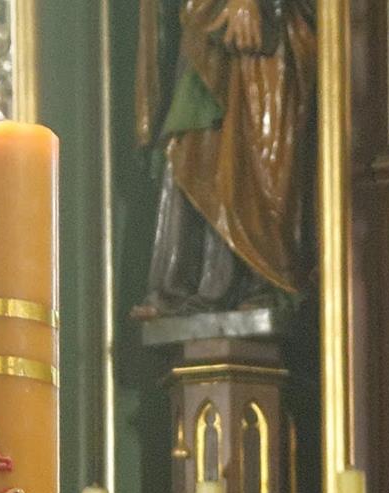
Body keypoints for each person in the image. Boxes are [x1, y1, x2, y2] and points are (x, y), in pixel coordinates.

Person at [136, 0, 318, 315]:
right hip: (208, 27)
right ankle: (188, 285)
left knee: (264, 152)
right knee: (196, 146)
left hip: (275, 25)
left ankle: (261, 280)